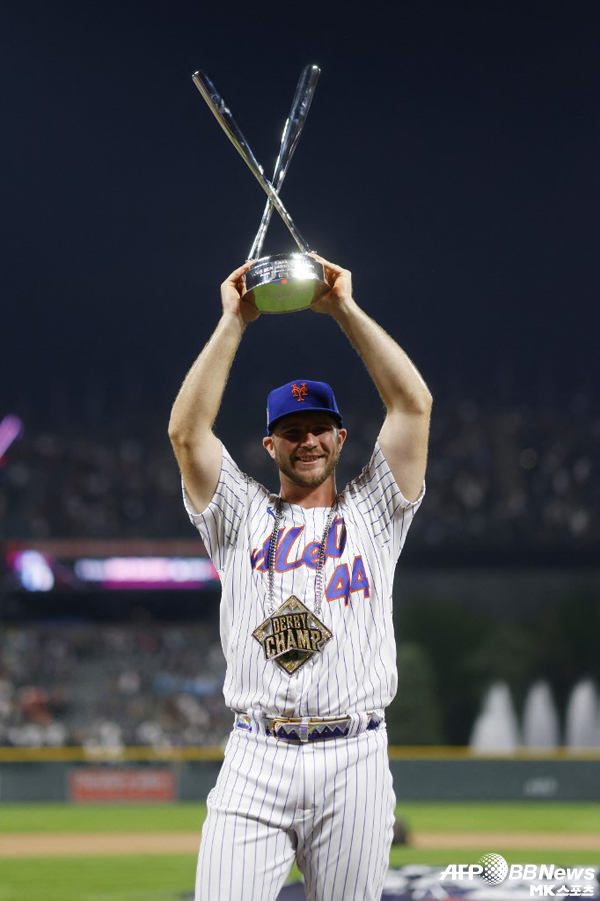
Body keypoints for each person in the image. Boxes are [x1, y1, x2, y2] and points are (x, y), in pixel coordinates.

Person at [168, 255, 432, 901]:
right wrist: (234, 320)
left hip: (354, 755)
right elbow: (186, 431)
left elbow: (413, 404)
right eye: (291, 431)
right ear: (270, 446)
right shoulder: (239, 514)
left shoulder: (376, 510)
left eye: (318, 427)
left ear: (341, 438)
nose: (306, 439)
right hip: (257, 752)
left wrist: (343, 307)